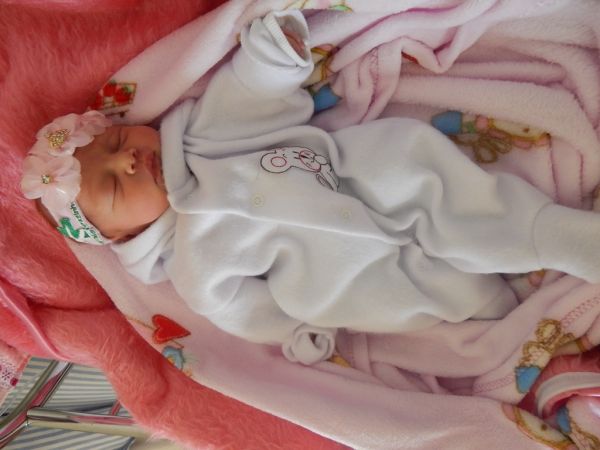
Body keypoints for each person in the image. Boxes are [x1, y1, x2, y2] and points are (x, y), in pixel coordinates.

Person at [21, 11, 600, 364]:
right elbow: (244, 312)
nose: (128, 163)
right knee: (403, 301)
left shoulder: (202, 133)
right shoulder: (194, 267)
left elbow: (249, 92)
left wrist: (273, 56)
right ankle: (490, 304)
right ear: (127, 236)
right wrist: (300, 332)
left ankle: (552, 237)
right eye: (115, 188)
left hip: (353, 177)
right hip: (335, 273)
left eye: (118, 144)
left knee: (414, 172)